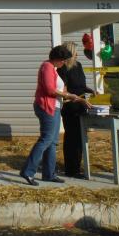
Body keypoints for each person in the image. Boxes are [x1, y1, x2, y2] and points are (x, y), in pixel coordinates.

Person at [20, 45, 91, 186]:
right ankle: (28, 171)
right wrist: (68, 95)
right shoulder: (47, 66)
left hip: (56, 106)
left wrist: (68, 93)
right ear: (57, 58)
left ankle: (49, 174)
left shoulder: (54, 69)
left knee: (52, 142)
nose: (64, 63)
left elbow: (60, 87)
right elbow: (50, 90)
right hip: (47, 107)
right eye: (63, 60)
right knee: (46, 139)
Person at [58, 41, 95, 178]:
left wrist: (90, 90)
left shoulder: (78, 66)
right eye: (75, 52)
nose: (78, 54)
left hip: (81, 106)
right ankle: (71, 169)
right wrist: (78, 99)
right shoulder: (62, 69)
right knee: (72, 139)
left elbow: (82, 85)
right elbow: (64, 91)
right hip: (70, 107)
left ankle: (77, 167)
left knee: (80, 138)